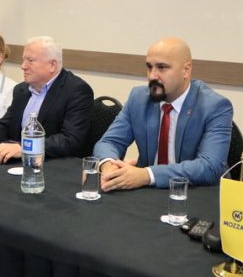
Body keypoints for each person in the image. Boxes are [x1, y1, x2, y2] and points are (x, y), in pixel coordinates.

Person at [93, 37, 233, 191]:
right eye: (149, 67)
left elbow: (209, 167)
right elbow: (108, 142)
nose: (152, 76)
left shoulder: (215, 106)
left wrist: (147, 174)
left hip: (196, 194)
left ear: (186, 70)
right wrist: (109, 165)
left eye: (162, 67)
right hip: (148, 194)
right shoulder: (138, 98)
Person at [0, 36, 94, 162]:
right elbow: (7, 125)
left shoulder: (77, 90)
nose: (23, 66)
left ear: (52, 65)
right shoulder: (22, 90)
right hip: (18, 163)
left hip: (53, 165)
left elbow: (70, 140)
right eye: (23, 60)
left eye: (30, 60)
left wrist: (26, 148)